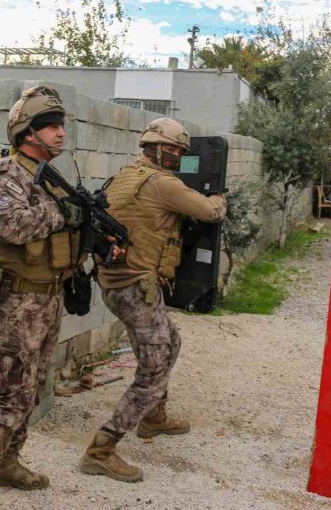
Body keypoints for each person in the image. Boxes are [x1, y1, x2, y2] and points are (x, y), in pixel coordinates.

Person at [0, 86, 85, 510]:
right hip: (16, 302)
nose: (60, 133)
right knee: (11, 395)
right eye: (51, 126)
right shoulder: (6, 173)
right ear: (27, 132)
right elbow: (11, 226)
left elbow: (64, 232)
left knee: (33, 391)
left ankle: (9, 462)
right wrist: (62, 213)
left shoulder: (51, 179)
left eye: (61, 125)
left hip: (48, 298)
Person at [79, 117, 226, 482]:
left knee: (170, 341)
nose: (176, 156)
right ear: (153, 147)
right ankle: (102, 448)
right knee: (155, 366)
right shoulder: (161, 183)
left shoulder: (124, 175)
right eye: (172, 149)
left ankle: (154, 419)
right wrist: (219, 198)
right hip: (135, 286)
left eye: (181, 151)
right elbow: (209, 212)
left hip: (120, 282)